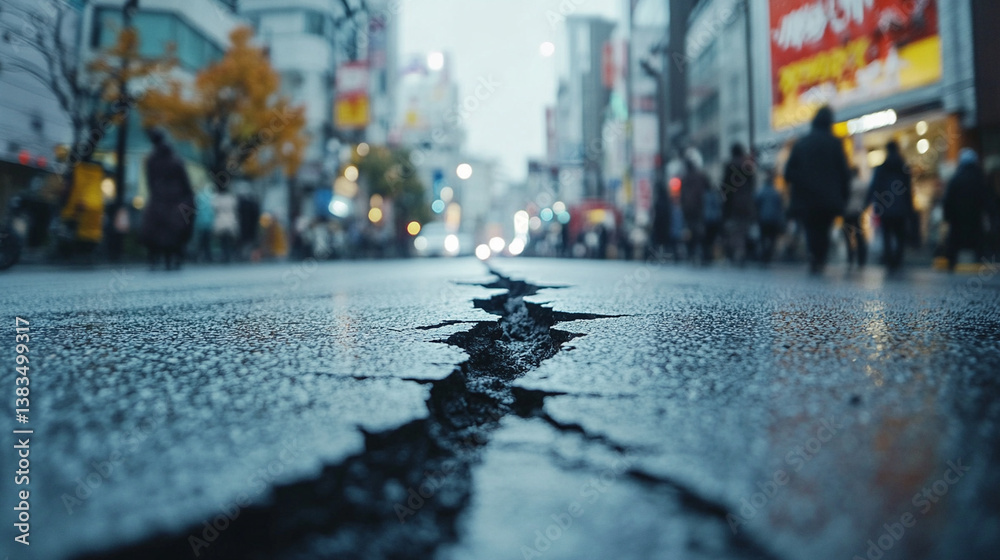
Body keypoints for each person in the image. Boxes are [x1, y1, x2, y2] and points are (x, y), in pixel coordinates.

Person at [783, 106, 851, 274]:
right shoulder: (835, 143)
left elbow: (788, 173)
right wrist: (844, 195)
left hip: (807, 196)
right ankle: (820, 258)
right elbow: (844, 173)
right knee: (824, 227)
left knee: (811, 227)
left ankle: (814, 256)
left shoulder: (802, 143)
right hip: (828, 197)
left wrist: (802, 181)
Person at [141, 128, 195, 270]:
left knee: (156, 228)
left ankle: (154, 257)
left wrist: (155, 193)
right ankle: (172, 257)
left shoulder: (151, 160)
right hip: (176, 197)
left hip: (158, 197)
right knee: (175, 228)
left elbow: (150, 181)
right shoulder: (176, 159)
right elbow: (185, 182)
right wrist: (189, 197)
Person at [867, 141, 913, 272]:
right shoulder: (903, 167)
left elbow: (875, 187)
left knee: (886, 235)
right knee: (900, 235)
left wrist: (871, 203)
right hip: (901, 207)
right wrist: (909, 208)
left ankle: (889, 260)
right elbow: (908, 190)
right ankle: (898, 260)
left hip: (885, 206)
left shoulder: (882, 167)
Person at [943, 148, 989, 271]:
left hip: (957, 217)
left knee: (955, 241)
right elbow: (986, 198)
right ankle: (981, 264)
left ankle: (951, 264)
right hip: (975, 216)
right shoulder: (979, 178)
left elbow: (948, 198)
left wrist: (947, 216)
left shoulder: (956, 178)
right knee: (977, 241)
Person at [722, 143, 757, 267]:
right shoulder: (747, 164)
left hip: (734, 203)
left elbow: (725, 187)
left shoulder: (729, 165)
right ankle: (742, 252)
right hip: (747, 202)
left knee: (736, 230)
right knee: (744, 228)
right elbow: (753, 185)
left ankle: (738, 252)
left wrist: (725, 204)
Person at [680, 149, 709, 263]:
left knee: (690, 230)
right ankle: (699, 251)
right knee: (698, 229)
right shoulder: (700, 176)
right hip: (699, 207)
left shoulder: (685, 178)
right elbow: (708, 186)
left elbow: (682, 196)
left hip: (688, 209)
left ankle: (692, 251)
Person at [756, 170, 786, 266]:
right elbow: (780, 207)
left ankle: (764, 254)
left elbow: (756, 203)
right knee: (772, 238)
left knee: (763, 238)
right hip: (773, 219)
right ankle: (768, 254)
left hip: (763, 219)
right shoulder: (776, 193)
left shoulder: (761, 192)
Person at [843, 167, 869, 268]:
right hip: (858, 212)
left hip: (847, 212)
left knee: (848, 236)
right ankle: (861, 258)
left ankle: (850, 256)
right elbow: (867, 197)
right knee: (859, 235)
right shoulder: (863, 184)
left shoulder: (847, 184)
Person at [212, 187, 239, 263]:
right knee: (228, 239)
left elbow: (214, 207)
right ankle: (228, 255)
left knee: (222, 240)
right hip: (230, 219)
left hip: (220, 220)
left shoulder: (217, 198)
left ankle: (224, 255)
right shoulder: (231, 198)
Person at [193, 185, 215, 262]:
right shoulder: (211, 199)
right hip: (209, 223)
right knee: (208, 243)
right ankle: (208, 257)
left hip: (201, 223)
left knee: (200, 242)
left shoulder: (199, 198)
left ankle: (198, 257)